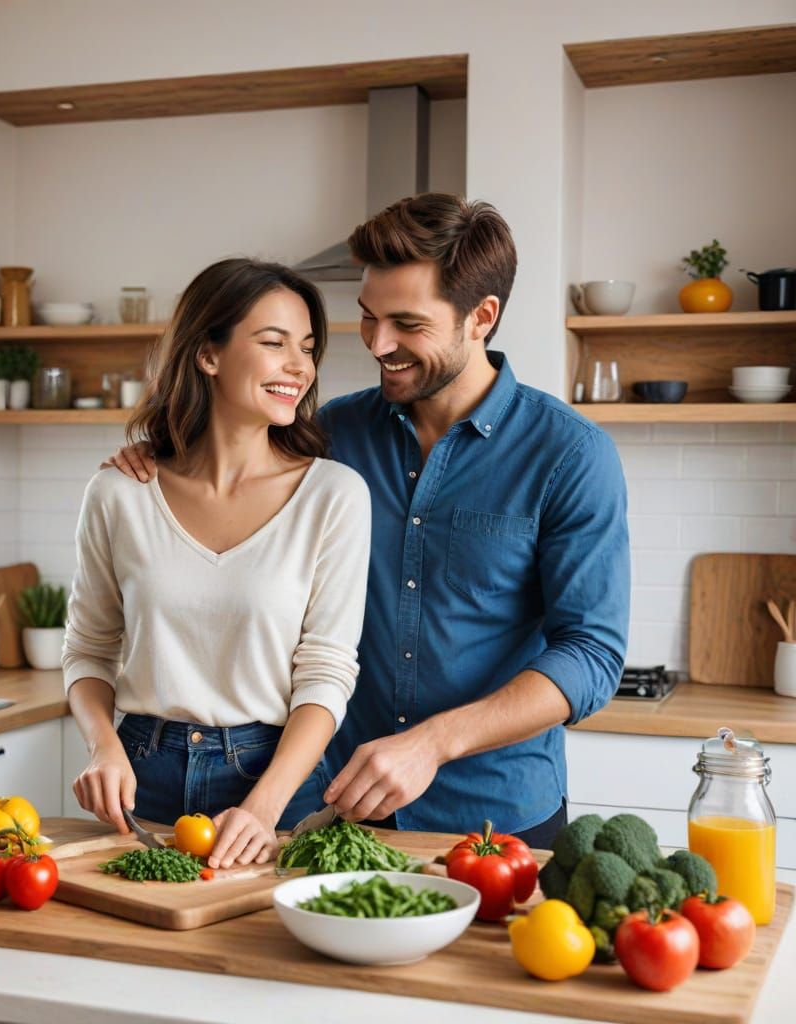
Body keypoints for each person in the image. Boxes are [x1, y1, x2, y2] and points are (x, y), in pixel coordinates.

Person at [108, 194, 630, 851]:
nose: (379, 345)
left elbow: (592, 653)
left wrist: (432, 743)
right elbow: (221, 459)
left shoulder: (568, 455)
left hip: (496, 817)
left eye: (407, 324)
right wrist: (155, 457)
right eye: (367, 318)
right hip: (335, 808)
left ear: (482, 317)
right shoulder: (327, 435)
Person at [63, 257, 372, 870]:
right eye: (273, 342)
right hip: (139, 777)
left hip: (276, 781)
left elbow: (327, 674)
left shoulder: (334, 495)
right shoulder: (120, 493)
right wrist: (102, 746)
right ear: (207, 354)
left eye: (307, 348)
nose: (299, 367)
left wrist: (263, 807)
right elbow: (88, 649)